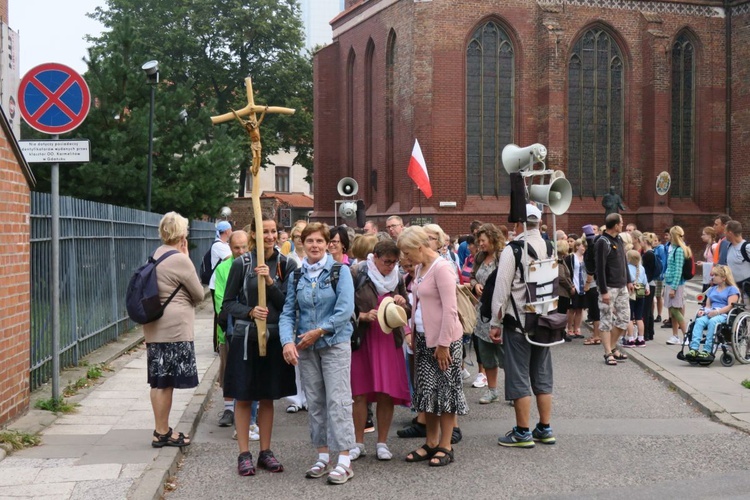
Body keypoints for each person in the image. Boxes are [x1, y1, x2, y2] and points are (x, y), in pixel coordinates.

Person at [279, 223, 357, 485]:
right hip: (306, 348)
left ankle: (344, 460)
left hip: (334, 344)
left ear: (328, 244)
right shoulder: (297, 276)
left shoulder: (340, 271)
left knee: (338, 400)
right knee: (315, 402)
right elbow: (288, 312)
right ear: (302, 243)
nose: (314, 245)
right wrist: (287, 342)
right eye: (309, 241)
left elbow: (345, 310)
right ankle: (322, 456)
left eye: (319, 241)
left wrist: (320, 330)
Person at [222, 216, 297, 476]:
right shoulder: (242, 263)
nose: (269, 236)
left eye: (273, 231)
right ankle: (244, 453)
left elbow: (288, 303)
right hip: (247, 339)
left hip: (274, 339)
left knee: (268, 396)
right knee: (244, 395)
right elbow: (228, 304)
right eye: (264, 231)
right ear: (253, 234)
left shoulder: (286, 264)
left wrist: (270, 282)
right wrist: (250, 311)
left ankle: (265, 451)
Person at [397, 226, 467, 466]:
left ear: (419, 247)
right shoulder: (419, 268)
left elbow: (450, 309)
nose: (405, 259)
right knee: (427, 394)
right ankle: (431, 442)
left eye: (407, 253)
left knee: (446, 393)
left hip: (443, 342)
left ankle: (446, 446)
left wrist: (444, 344)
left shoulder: (443, 268)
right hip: (424, 339)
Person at [490, 204, 556, 448]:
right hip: (545, 320)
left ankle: (522, 432)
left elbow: (501, 289)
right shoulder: (550, 245)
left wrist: (495, 322)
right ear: (538, 223)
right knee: (542, 374)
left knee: (518, 375)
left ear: (518, 223)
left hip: (518, 321)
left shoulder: (513, 250)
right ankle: (545, 428)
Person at [349, 240, 412, 461]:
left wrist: (403, 303)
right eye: (387, 262)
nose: (391, 267)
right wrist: (362, 316)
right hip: (364, 339)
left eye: (395, 263)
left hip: (388, 340)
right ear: (374, 256)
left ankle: (382, 443)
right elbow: (344, 306)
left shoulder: (398, 277)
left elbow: (408, 312)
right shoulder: (356, 272)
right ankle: (357, 442)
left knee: (386, 392)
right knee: (359, 392)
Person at [146, 212, 204, 449]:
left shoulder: (156, 254)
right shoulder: (180, 259)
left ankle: (160, 428)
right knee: (166, 382)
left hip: (154, 327)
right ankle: (162, 432)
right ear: (182, 234)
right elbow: (199, 294)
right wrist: (187, 257)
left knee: (158, 381)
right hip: (173, 330)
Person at [212, 231, 250, 432]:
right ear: (231, 248)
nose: (241, 251)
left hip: (250, 326)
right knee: (227, 369)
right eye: (237, 248)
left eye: (244, 247)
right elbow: (220, 298)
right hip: (229, 326)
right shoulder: (223, 269)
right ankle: (228, 408)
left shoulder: (253, 264)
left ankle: (251, 410)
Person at [469, 223, 506, 404]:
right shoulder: (479, 257)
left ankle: (515, 391)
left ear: (493, 239)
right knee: (486, 354)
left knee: (506, 354)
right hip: (482, 313)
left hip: (500, 312)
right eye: (479, 240)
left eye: (483, 240)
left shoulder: (503, 257)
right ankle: (492, 391)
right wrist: (475, 284)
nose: (480, 244)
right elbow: (472, 276)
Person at [595, 213, 633, 366]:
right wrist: (603, 290)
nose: (622, 224)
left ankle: (611, 346)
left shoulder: (618, 239)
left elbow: (624, 262)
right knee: (606, 320)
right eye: (621, 222)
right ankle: (608, 352)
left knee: (624, 318)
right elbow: (600, 268)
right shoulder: (602, 242)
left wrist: (629, 280)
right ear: (616, 225)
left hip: (621, 285)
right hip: (608, 287)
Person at [686, 265, 740, 361]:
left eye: (715, 275)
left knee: (713, 322)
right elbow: (708, 305)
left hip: (724, 314)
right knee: (699, 321)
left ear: (723, 278)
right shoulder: (712, 289)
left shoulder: (732, 290)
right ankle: (694, 348)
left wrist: (717, 311)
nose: (713, 277)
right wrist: (704, 311)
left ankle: (707, 350)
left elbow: (731, 306)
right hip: (711, 312)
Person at [284, 222, 308, 414]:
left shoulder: (312, 259)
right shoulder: (287, 259)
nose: (300, 238)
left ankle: (307, 397)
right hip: (293, 309)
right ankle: (294, 398)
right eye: (297, 235)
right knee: (293, 356)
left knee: (307, 356)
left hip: (307, 311)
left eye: (303, 235)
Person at [664, 226, 692, 345]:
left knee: (675, 311)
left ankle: (686, 335)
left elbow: (678, 270)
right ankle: (675, 336)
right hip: (670, 282)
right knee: (672, 310)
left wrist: (673, 288)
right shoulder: (675, 248)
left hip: (675, 284)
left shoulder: (679, 250)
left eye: (670, 235)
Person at [210, 221, 233, 353]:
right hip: (216, 282)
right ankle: (218, 343)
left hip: (222, 280)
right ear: (227, 231)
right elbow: (230, 257)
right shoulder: (218, 246)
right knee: (219, 313)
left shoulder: (224, 245)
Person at [622, 249, 649, 348]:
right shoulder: (641, 268)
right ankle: (641, 339)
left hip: (630, 292)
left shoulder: (626, 268)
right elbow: (645, 281)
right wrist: (647, 289)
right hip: (641, 292)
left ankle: (630, 338)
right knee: (639, 317)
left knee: (629, 317)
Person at [565, 239, 587, 339]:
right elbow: (567, 272)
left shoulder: (585, 258)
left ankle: (577, 328)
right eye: (583, 246)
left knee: (580, 309)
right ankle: (570, 328)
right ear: (577, 246)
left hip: (583, 286)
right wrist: (570, 285)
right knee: (572, 309)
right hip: (575, 285)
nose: (584, 248)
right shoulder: (570, 257)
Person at [725, 221, 750, 301]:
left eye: (725, 231)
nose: (724, 233)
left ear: (730, 233)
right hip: (735, 288)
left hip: (747, 287)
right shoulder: (729, 246)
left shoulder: (747, 247)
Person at [696, 227, 718, 292]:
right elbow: (709, 260)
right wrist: (703, 263)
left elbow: (716, 262)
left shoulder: (714, 246)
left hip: (712, 275)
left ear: (709, 235)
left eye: (704, 234)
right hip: (707, 275)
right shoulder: (708, 246)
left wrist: (704, 264)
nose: (701, 236)